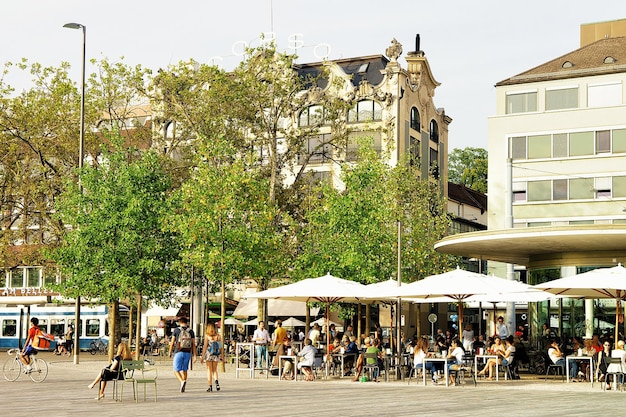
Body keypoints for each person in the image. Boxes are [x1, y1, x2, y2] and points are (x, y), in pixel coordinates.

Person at [168, 316, 196, 393]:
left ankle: (182, 381)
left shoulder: (176, 330)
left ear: (180, 322)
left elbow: (172, 342)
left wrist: (170, 351)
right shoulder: (191, 331)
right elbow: (193, 344)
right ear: (186, 322)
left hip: (178, 351)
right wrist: (195, 355)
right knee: (184, 369)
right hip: (187, 352)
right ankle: (183, 382)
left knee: (176, 370)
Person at [200, 323, 223, 392]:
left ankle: (210, 386)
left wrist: (203, 356)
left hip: (209, 354)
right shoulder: (218, 336)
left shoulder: (207, 336)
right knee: (214, 370)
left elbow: (205, 346)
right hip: (216, 354)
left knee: (209, 370)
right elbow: (221, 346)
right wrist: (222, 354)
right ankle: (217, 382)